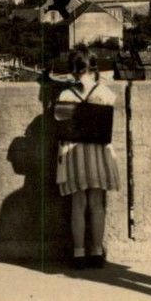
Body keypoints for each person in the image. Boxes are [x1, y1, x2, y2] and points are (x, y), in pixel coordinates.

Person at [53, 47, 120, 269]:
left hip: (75, 154)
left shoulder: (64, 95)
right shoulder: (106, 94)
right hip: (99, 153)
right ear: (93, 66)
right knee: (97, 204)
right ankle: (97, 252)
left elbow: (61, 128)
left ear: (73, 69)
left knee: (78, 204)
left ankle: (78, 253)